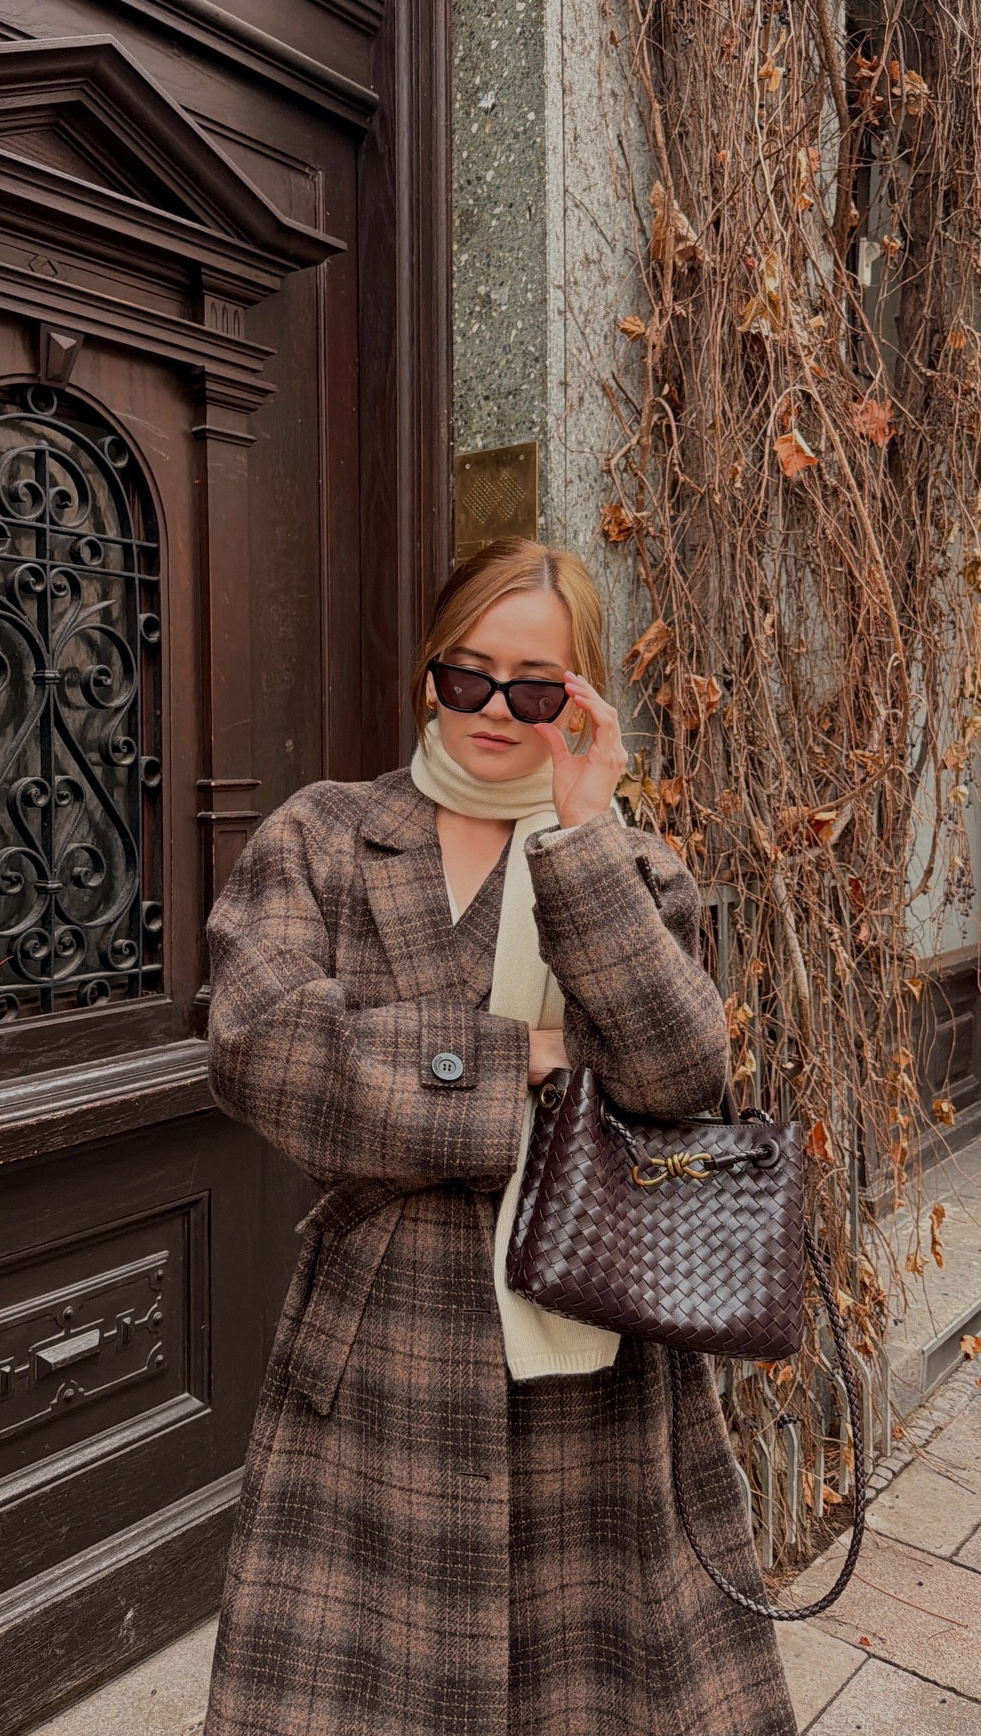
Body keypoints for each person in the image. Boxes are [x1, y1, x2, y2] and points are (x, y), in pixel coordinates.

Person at [203, 538, 797, 1736]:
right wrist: (506, 1060)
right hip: (384, 1345)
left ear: (580, 700)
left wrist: (580, 841)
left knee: (597, 1689)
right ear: (430, 672)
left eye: (534, 687)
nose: (491, 709)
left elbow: (680, 1082)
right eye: (464, 674)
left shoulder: (628, 866)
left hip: (594, 1344)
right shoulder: (323, 835)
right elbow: (263, 1049)